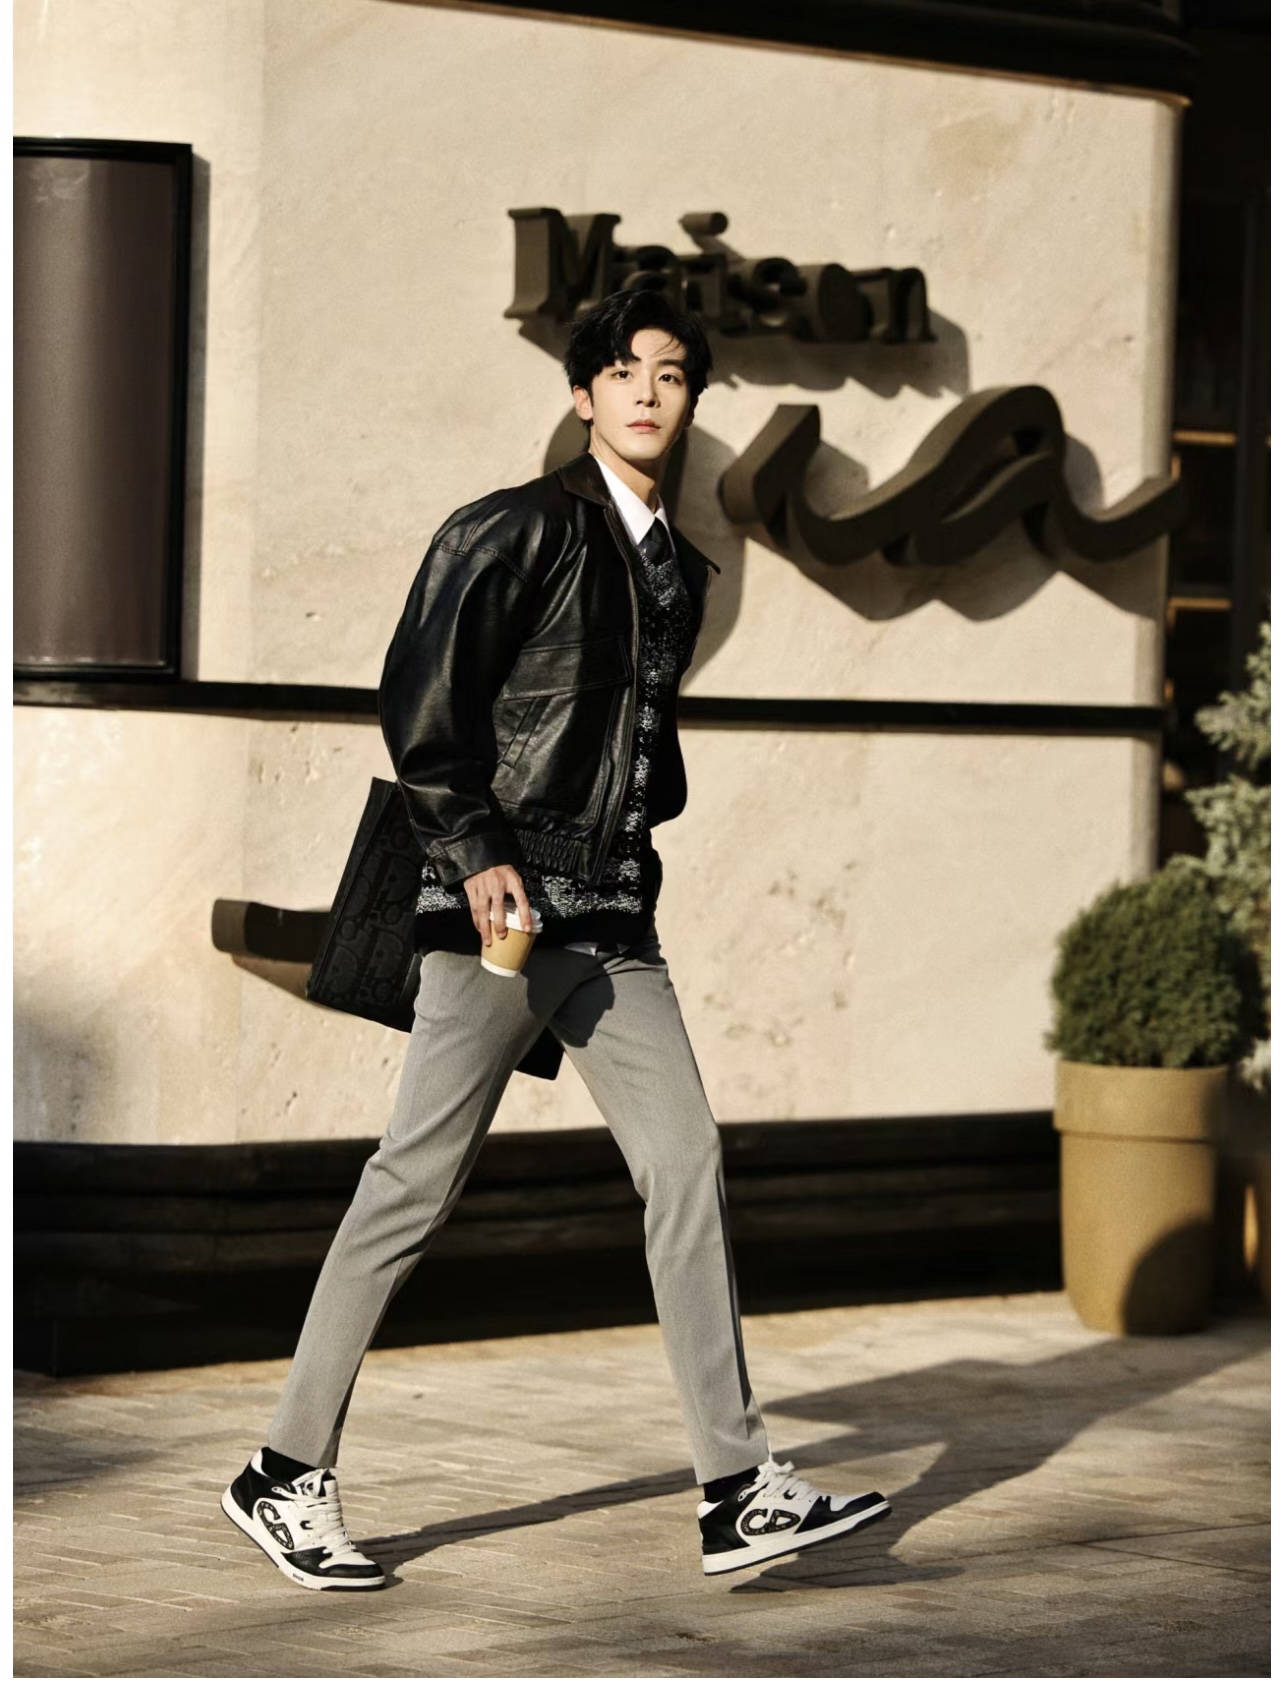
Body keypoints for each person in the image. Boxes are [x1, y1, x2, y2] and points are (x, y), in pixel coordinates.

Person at [221, 289, 890, 1590]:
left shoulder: (675, 568)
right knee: (414, 1183)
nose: (647, 390)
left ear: (692, 402)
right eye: (623, 371)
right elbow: (423, 702)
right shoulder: (512, 528)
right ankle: (282, 1473)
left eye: (672, 374)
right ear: (583, 396)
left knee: (687, 1162)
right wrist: (476, 852)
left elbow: (628, 739)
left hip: (614, 919)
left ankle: (737, 1489)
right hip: (507, 915)